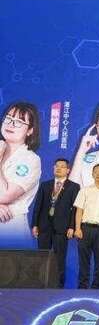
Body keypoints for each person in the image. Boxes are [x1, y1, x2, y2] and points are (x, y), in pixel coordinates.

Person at [31, 158, 80, 287]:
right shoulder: (45, 185)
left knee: (59, 258)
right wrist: (35, 224)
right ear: (53, 168)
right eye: (56, 166)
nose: (59, 168)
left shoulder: (74, 187)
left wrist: (72, 226)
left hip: (62, 228)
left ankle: (58, 286)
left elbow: (75, 209)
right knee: (42, 257)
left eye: (62, 166)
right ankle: (42, 285)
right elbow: (38, 206)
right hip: (44, 227)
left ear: (68, 170)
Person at [0, 101, 42, 246]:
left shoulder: (31, 160)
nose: (11, 124)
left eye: (19, 122)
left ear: (30, 130)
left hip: (9, 228)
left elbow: (4, 195)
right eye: (8, 118)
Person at [73, 163, 99, 289]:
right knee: (83, 260)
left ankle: (96, 287)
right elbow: (79, 210)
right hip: (85, 229)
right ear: (92, 174)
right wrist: (77, 228)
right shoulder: (84, 190)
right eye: (96, 171)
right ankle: (82, 286)